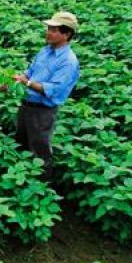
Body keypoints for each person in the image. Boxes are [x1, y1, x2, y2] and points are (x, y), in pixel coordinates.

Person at [12, 11, 80, 180]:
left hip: (43, 112)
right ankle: (20, 180)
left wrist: (26, 83)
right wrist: (13, 81)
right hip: (27, 105)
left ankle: (41, 188)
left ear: (67, 34)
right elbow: (30, 72)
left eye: (54, 30)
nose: (48, 32)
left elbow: (53, 90)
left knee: (40, 151)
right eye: (49, 28)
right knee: (20, 143)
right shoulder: (45, 51)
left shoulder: (68, 61)